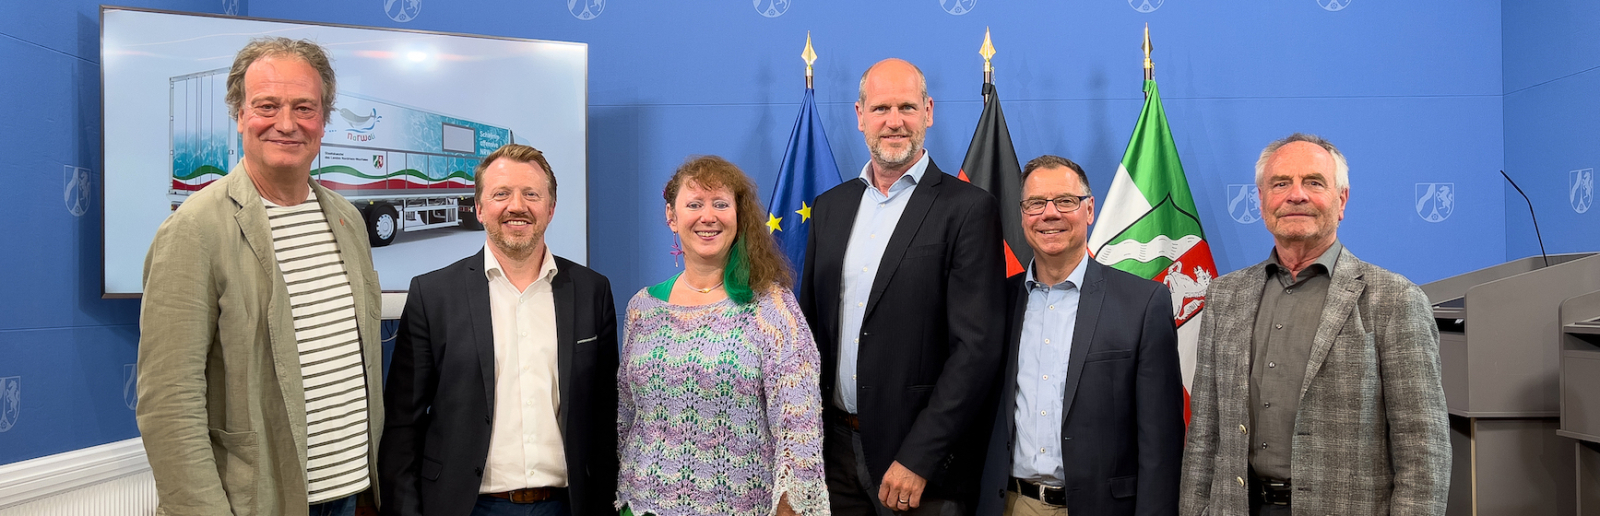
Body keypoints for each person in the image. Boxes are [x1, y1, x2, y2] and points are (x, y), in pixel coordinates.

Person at [137, 37, 384, 516]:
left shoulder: (347, 221)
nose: (286, 123)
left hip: (352, 497)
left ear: (324, 119)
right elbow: (169, 402)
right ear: (239, 115)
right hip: (257, 502)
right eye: (266, 105)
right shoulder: (194, 230)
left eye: (304, 107)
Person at [1178, 134, 1450, 515]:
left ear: (1341, 201)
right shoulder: (1225, 295)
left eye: (1314, 182)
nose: (1296, 195)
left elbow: (1423, 448)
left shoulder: (1394, 299)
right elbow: (1205, 431)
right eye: (1280, 183)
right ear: (1260, 201)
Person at [799, 58, 1007, 515]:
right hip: (832, 458)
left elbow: (977, 349)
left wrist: (920, 456)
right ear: (859, 116)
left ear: (929, 112)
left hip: (921, 469)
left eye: (907, 107)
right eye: (881, 109)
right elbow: (809, 334)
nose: (894, 121)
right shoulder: (830, 208)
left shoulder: (968, 209)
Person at [379, 144, 619, 516]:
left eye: (531, 194)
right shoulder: (433, 294)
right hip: (466, 506)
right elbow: (401, 426)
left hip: (566, 506)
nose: (516, 206)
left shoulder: (592, 291)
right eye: (501, 194)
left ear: (551, 208)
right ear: (478, 208)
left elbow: (606, 415)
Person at [616, 155, 829, 516]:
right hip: (639, 507)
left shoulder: (773, 308)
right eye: (694, 204)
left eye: (720, 204)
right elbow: (625, 417)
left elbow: (799, 428)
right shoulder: (642, 308)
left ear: (738, 216)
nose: (708, 216)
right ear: (672, 217)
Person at [975, 156, 1184, 516]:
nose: (1049, 214)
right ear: (1023, 215)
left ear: (1089, 210)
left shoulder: (1142, 303)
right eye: (1036, 203)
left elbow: (1161, 442)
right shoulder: (995, 302)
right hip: (1009, 504)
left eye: (1065, 201)